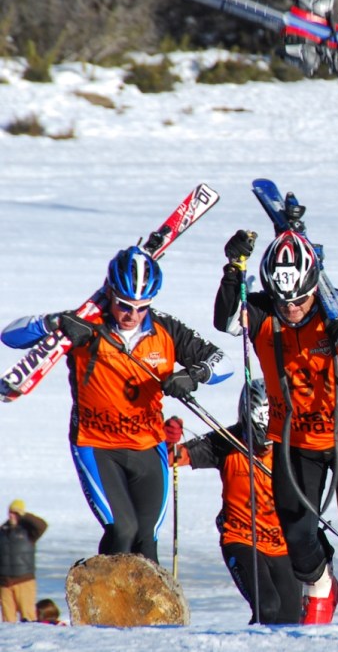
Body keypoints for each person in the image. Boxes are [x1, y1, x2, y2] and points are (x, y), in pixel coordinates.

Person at [214, 229, 338, 625]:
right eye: (285, 300)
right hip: (294, 441)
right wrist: (233, 269)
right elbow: (226, 319)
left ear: (313, 285)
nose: (293, 308)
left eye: (300, 299)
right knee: (298, 533)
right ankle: (319, 585)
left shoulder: (336, 304)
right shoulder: (264, 310)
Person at [0, 247, 232, 563]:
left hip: (147, 446)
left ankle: (150, 612)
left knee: (146, 539)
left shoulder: (166, 329)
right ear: (110, 293)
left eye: (141, 307)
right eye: (124, 305)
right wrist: (53, 322)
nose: (131, 315)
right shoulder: (85, 325)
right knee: (122, 529)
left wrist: (195, 375)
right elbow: (10, 336)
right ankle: (103, 607)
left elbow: (224, 362)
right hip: (96, 446)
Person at [164, 379, 303, 624]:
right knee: (267, 607)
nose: (264, 445)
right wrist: (167, 439)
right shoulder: (227, 442)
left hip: (282, 545)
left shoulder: (295, 446)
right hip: (241, 540)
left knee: (289, 621)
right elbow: (172, 457)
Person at [0, 500, 47, 622]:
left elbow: (42, 525)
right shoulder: (2, 532)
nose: (11, 515)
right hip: (4, 583)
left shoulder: (29, 533)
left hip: (24, 580)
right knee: (8, 620)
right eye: (10, 512)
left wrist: (25, 516)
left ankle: (31, 640)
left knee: (28, 616)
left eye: (15, 513)